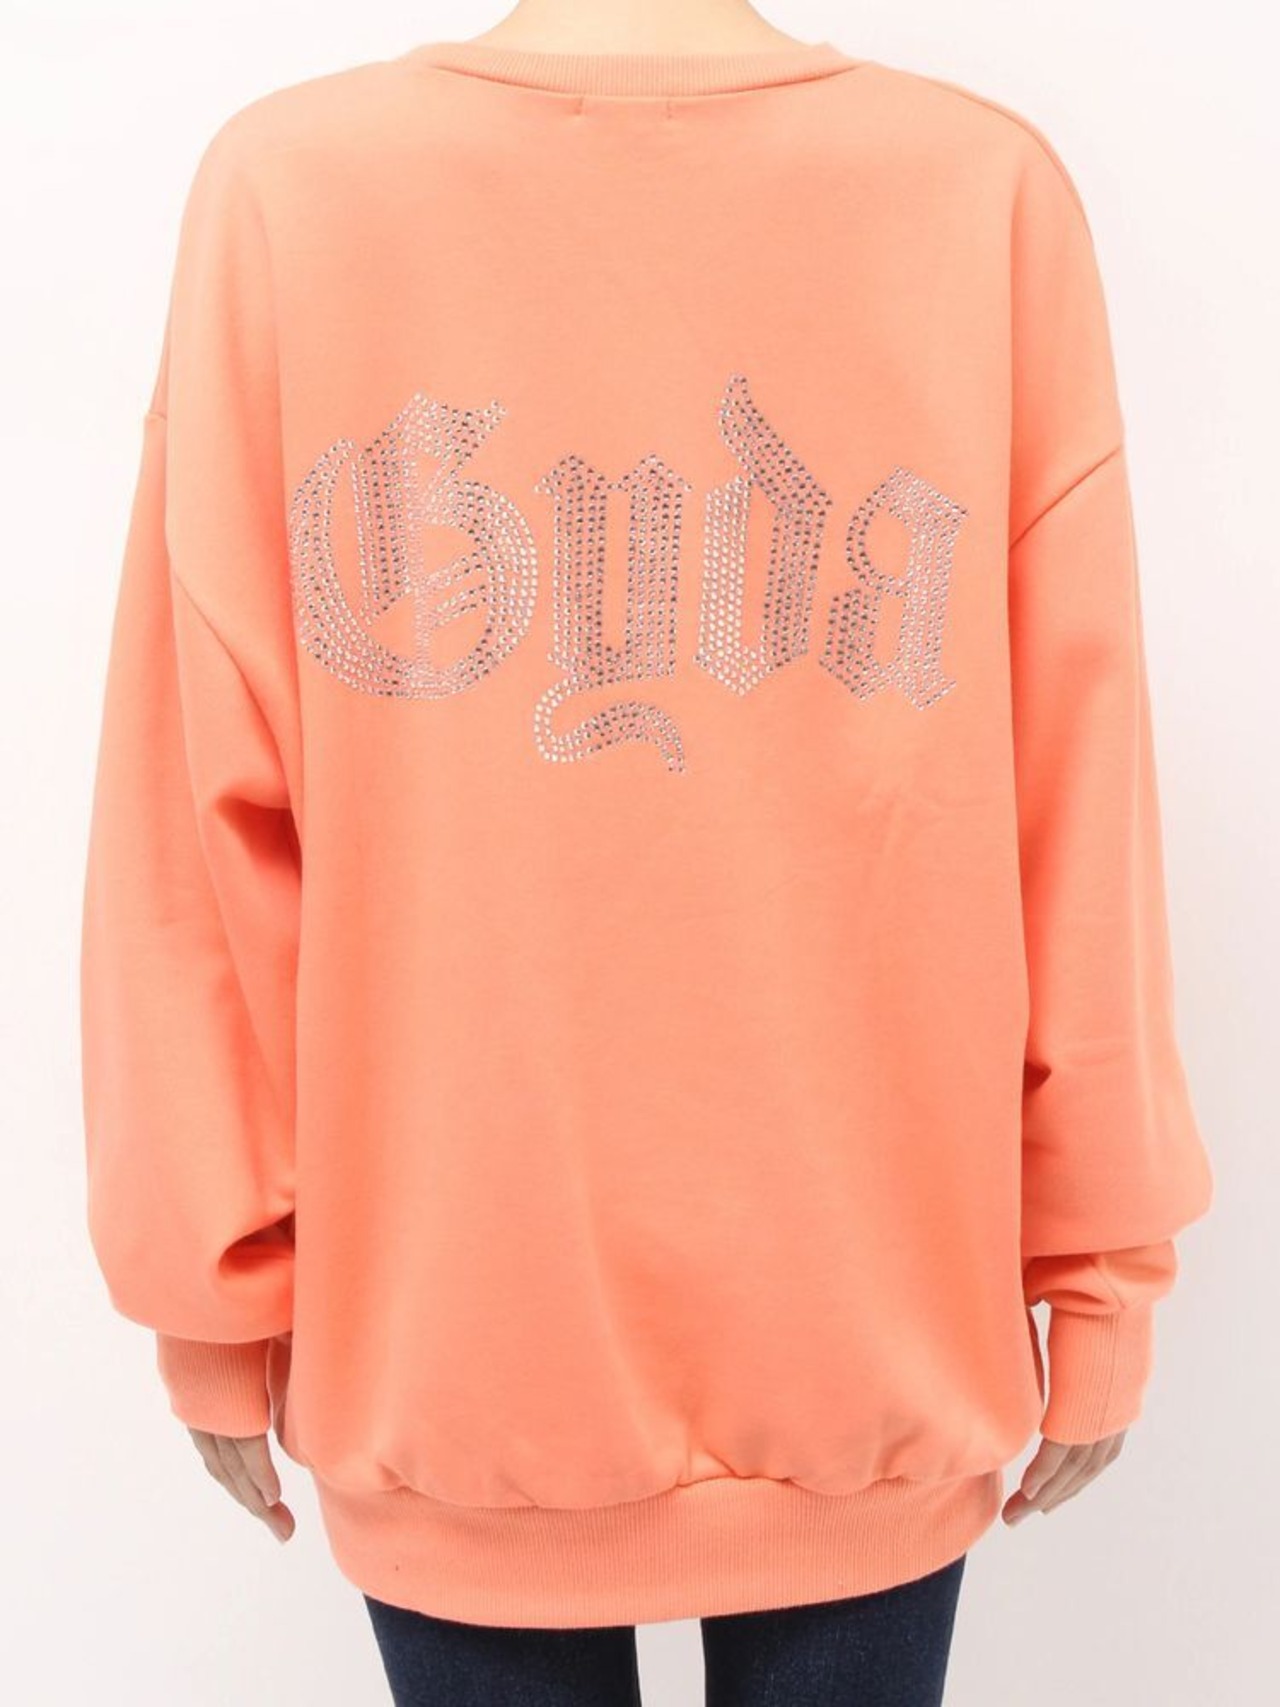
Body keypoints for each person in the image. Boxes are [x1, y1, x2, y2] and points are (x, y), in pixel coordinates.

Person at [79, 0, 1214, 1700]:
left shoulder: (296, 190)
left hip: (467, 1350)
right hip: (851, 1340)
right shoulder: (970, 188)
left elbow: (192, 826)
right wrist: (1102, 1267)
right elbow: (1084, 799)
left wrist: (214, 1287)